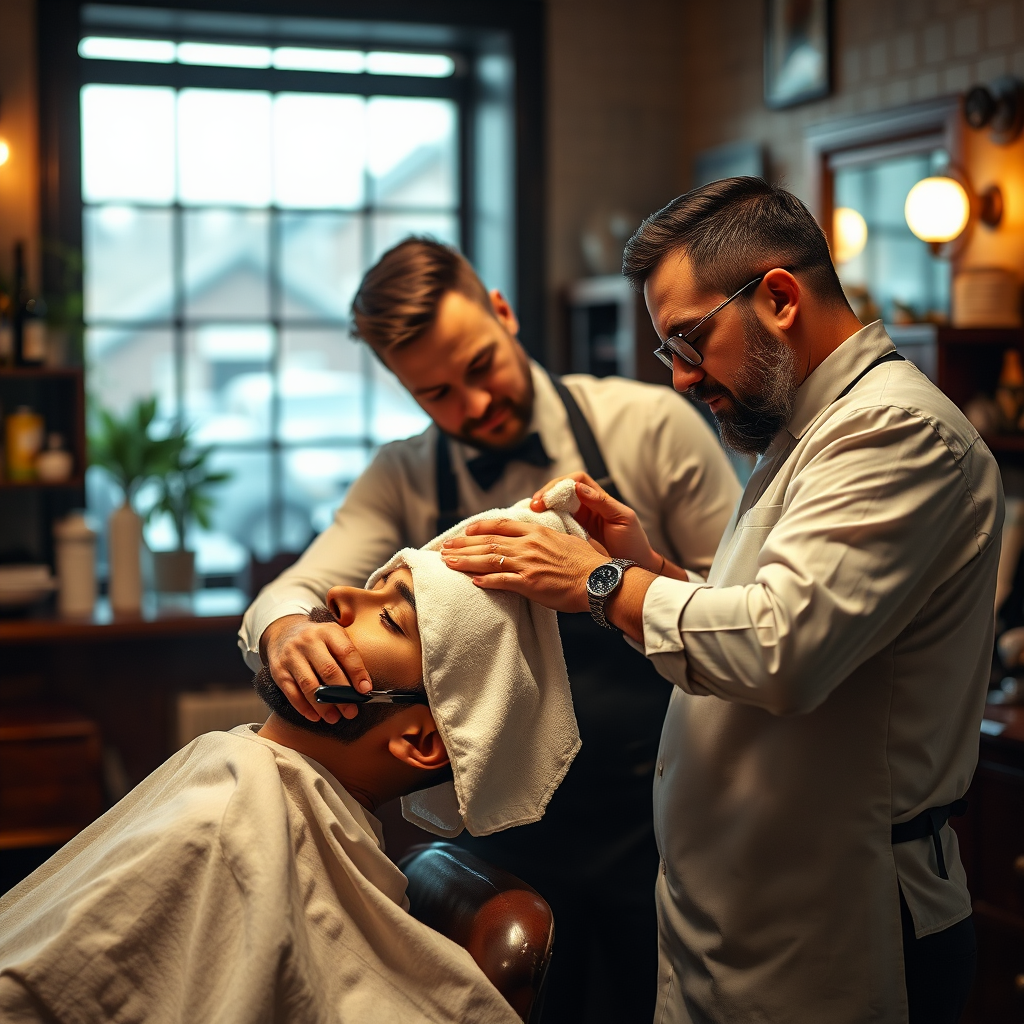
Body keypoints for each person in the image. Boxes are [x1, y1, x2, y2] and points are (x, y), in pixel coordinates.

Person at [440, 178, 1002, 1024]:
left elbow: (785, 648)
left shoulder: (895, 433)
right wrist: (652, 571)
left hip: (841, 923)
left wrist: (598, 583)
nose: (681, 378)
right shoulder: (803, 433)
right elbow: (762, 613)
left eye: (687, 340)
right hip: (751, 913)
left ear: (778, 296)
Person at [239, 238, 740, 1021]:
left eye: (479, 366)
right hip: (505, 836)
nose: (470, 406)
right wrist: (284, 634)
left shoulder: (648, 428)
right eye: (435, 392)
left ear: (502, 312)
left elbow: (735, 612)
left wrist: (617, 578)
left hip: (661, 813)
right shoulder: (404, 476)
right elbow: (290, 590)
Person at [0, 498, 583, 1024]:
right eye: (371, 584)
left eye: (389, 618)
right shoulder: (238, 783)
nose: (338, 597)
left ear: (422, 741)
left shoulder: (232, 816)